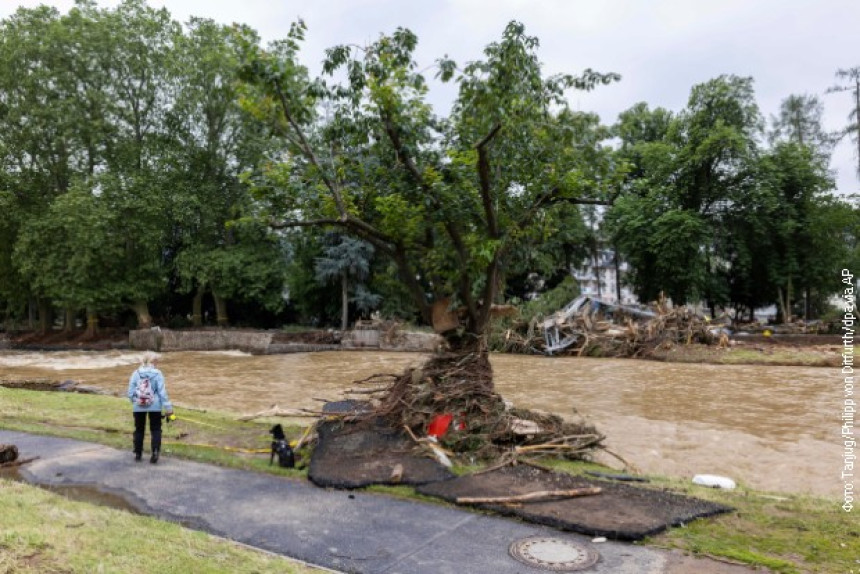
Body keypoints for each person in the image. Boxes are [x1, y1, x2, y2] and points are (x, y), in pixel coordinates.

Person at [127, 352, 173, 464]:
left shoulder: (136, 373)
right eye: (156, 361)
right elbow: (162, 393)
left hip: (138, 406)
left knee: (139, 429)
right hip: (155, 406)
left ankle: (138, 453)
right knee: (156, 429)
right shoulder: (158, 373)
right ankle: (155, 452)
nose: (158, 363)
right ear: (152, 361)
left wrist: (136, 401)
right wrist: (168, 408)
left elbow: (130, 393)